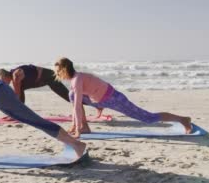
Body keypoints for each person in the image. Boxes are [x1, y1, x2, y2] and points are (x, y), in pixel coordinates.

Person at [54, 57, 192, 137]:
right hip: (99, 100)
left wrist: (76, 130)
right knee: (71, 95)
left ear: (64, 69)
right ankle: (84, 127)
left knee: (147, 118)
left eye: (58, 72)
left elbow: (78, 106)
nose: (58, 75)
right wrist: (74, 126)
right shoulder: (75, 80)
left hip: (113, 98)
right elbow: (75, 104)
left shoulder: (77, 80)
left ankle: (183, 119)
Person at [0, 64, 103, 117]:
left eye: (1, 80)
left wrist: (13, 111)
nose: (2, 83)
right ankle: (19, 113)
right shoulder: (15, 80)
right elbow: (18, 95)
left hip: (50, 77)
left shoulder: (16, 75)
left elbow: (20, 74)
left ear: (5, 76)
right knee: (20, 91)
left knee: (68, 97)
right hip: (45, 79)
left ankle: (97, 104)